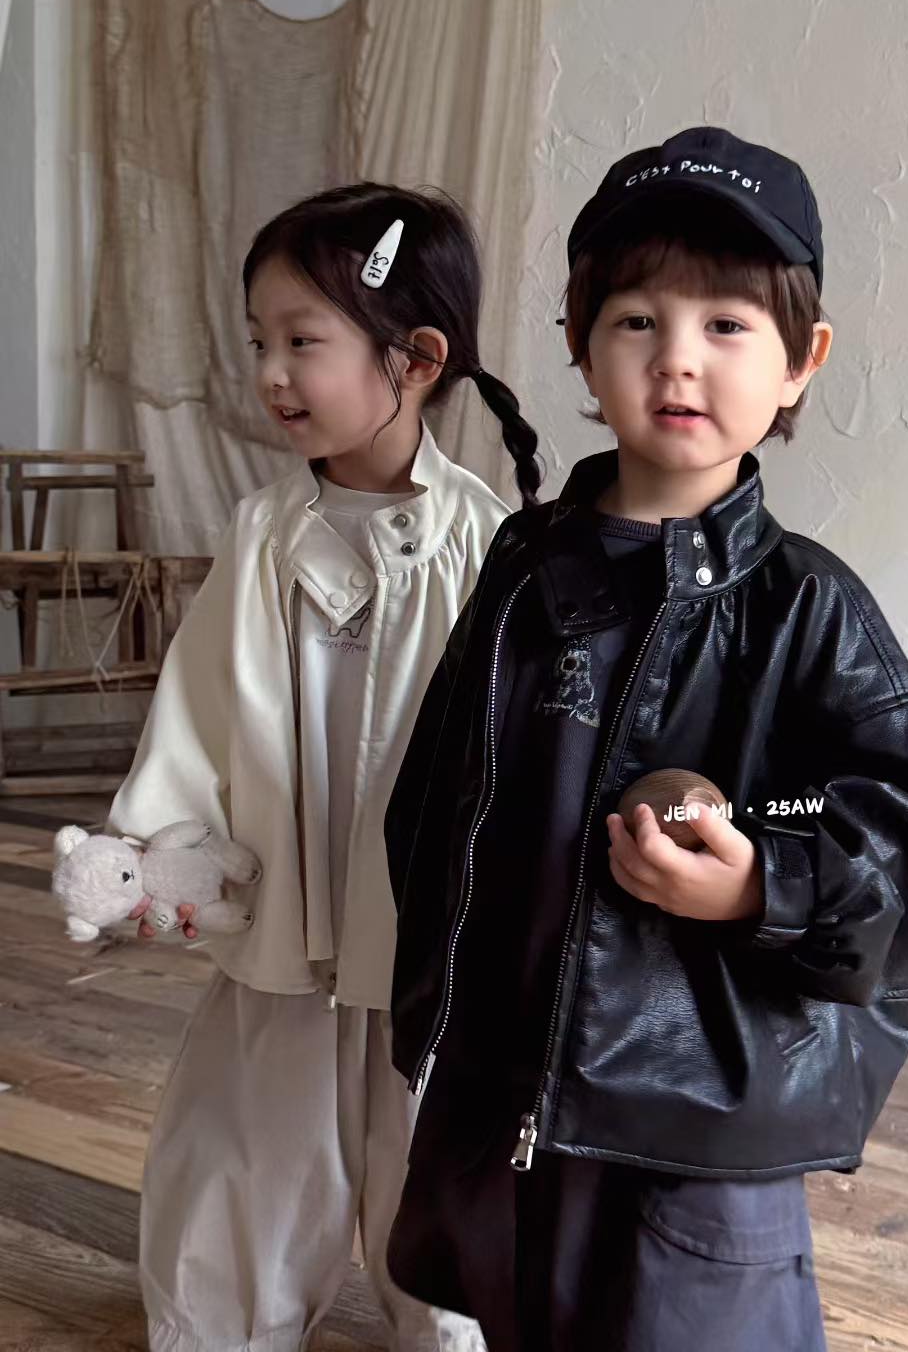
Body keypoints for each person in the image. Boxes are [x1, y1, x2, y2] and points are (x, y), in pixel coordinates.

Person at [382, 127, 908, 1352]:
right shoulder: (526, 566)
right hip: (518, 1087)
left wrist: (762, 882)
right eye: (637, 320)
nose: (679, 359)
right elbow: (441, 791)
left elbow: (903, 833)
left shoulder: (809, 609)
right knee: (531, 1312)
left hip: (707, 1117)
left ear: (802, 362)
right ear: (579, 341)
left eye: (726, 325)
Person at [109, 182, 542, 1352]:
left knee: (433, 1124)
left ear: (418, 359)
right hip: (284, 908)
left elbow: (521, 739)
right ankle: (223, 1323)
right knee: (256, 1129)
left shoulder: (487, 544)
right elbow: (203, 699)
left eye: (303, 341)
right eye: (260, 341)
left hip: (428, 930)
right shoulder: (265, 532)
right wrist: (166, 843)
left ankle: (447, 1323)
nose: (270, 373)